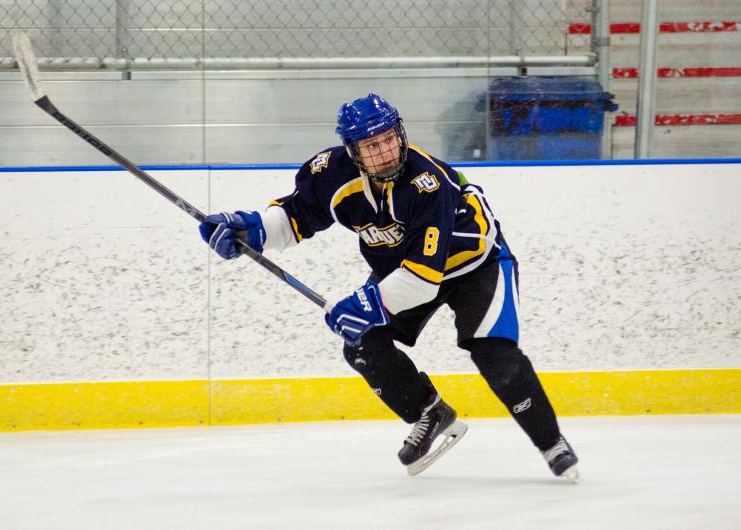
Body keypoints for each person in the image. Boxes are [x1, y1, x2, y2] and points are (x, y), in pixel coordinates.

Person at [199, 93, 579, 481]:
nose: (384, 153)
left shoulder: (426, 182)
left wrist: (366, 302)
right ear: (353, 151)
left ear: (399, 134)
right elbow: (296, 215)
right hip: (406, 267)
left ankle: (552, 443)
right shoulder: (331, 172)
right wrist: (251, 231)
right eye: (370, 146)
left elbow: (423, 279)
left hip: (475, 265)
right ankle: (430, 412)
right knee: (362, 343)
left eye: (388, 140)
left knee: (493, 354)